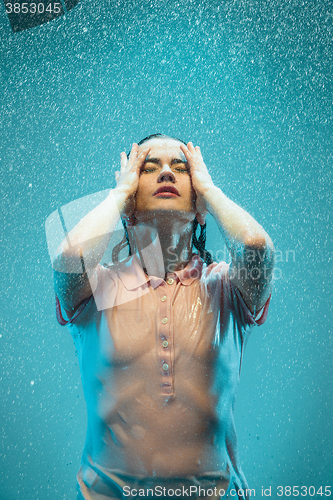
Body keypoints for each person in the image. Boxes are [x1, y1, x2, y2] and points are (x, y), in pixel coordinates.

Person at [53, 134, 275, 500]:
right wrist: (118, 195)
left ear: (200, 205)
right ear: (130, 204)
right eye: (149, 168)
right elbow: (70, 256)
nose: (167, 173)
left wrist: (211, 191)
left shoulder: (225, 288)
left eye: (181, 168)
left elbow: (256, 246)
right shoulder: (99, 288)